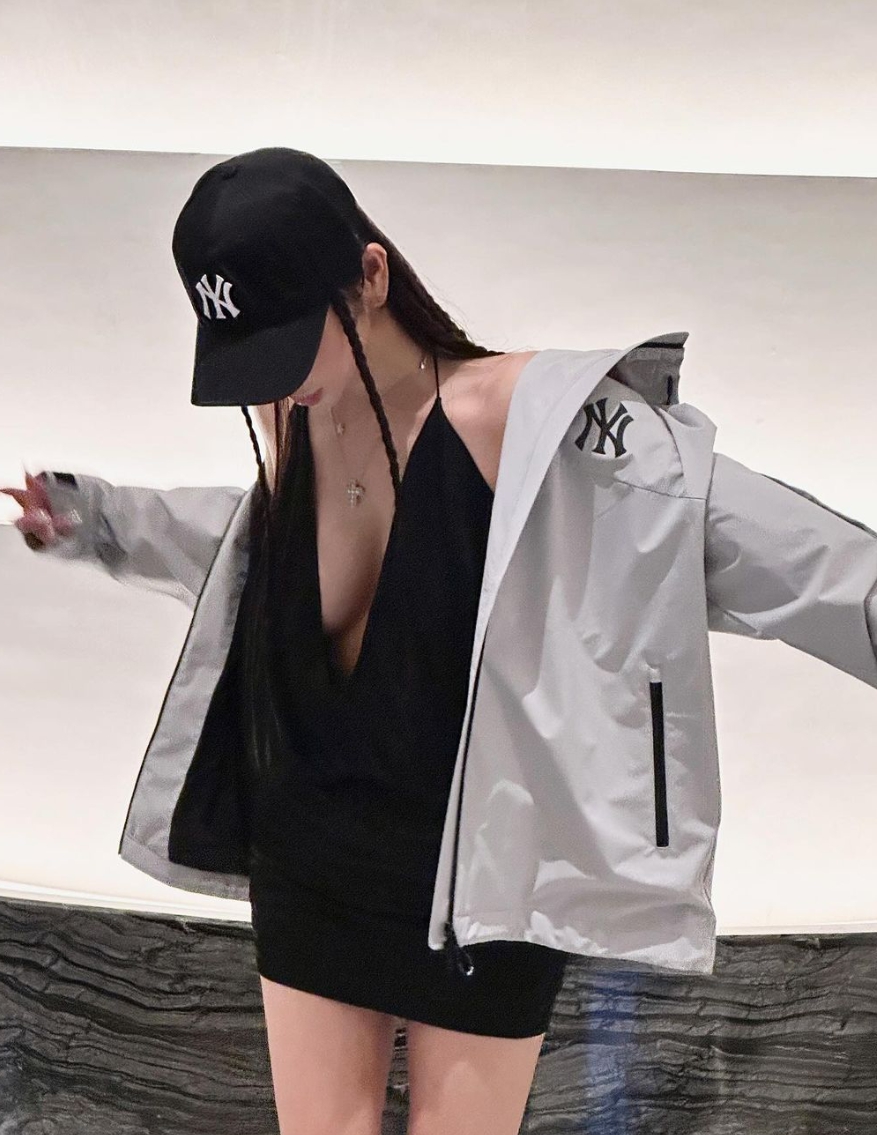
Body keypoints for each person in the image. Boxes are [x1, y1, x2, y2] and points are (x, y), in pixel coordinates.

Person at [8, 148, 877, 1135]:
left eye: (288, 342)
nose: (276, 382)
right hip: (309, 852)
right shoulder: (294, 416)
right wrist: (98, 520)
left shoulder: (531, 424)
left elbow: (760, 544)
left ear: (371, 276)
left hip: (478, 881)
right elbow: (257, 554)